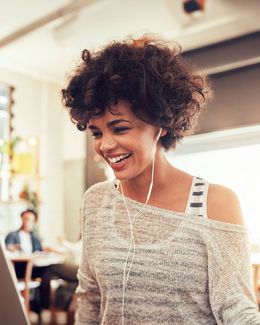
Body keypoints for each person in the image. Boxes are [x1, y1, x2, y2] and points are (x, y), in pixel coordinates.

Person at [62, 36, 260, 324]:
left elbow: (237, 310)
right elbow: (91, 300)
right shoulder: (97, 201)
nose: (105, 145)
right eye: (96, 132)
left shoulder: (214, 203)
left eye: (119, 128)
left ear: (162, 124)